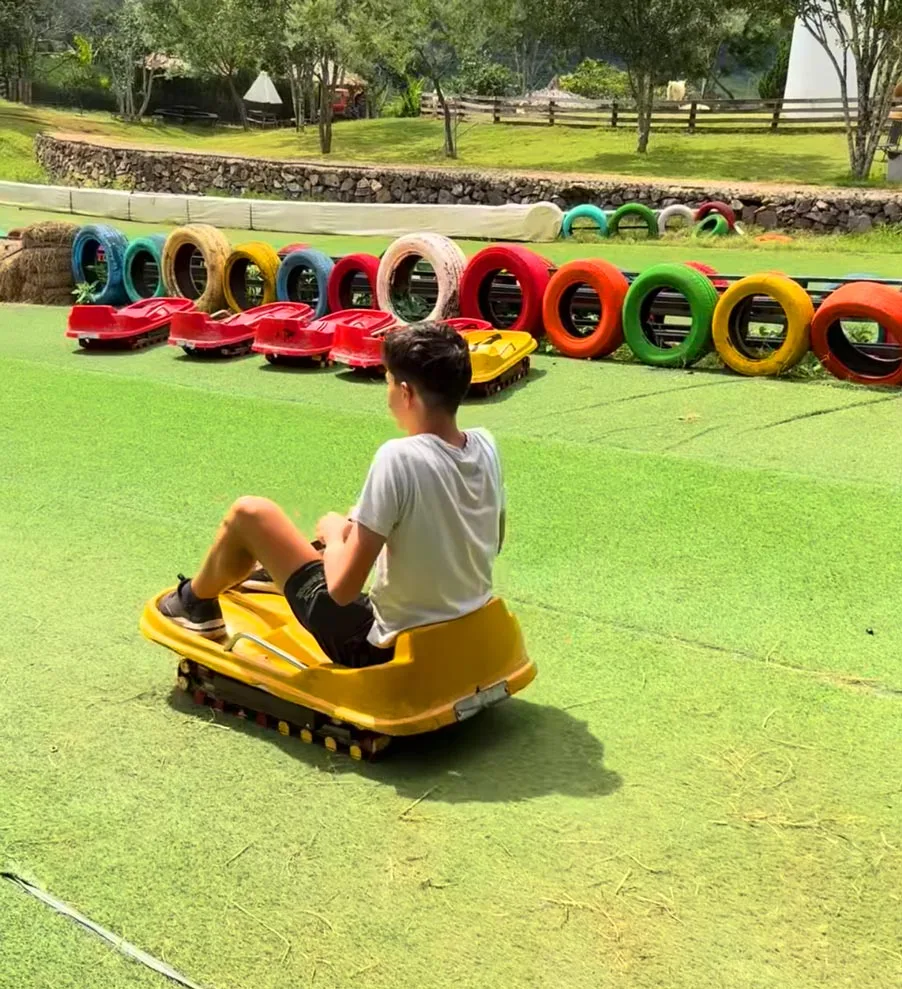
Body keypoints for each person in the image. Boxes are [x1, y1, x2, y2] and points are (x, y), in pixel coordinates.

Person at [158, 322, 505, 668]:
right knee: (354, 522)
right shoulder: (485, 445)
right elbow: (490, 539)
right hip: (465, 630)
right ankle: (279, 572)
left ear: (405, 393)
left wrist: (333, 535)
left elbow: (342, 591)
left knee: (250, 513)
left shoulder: (398, 457)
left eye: (386, 382)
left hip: (377, 648)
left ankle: (195, 603)